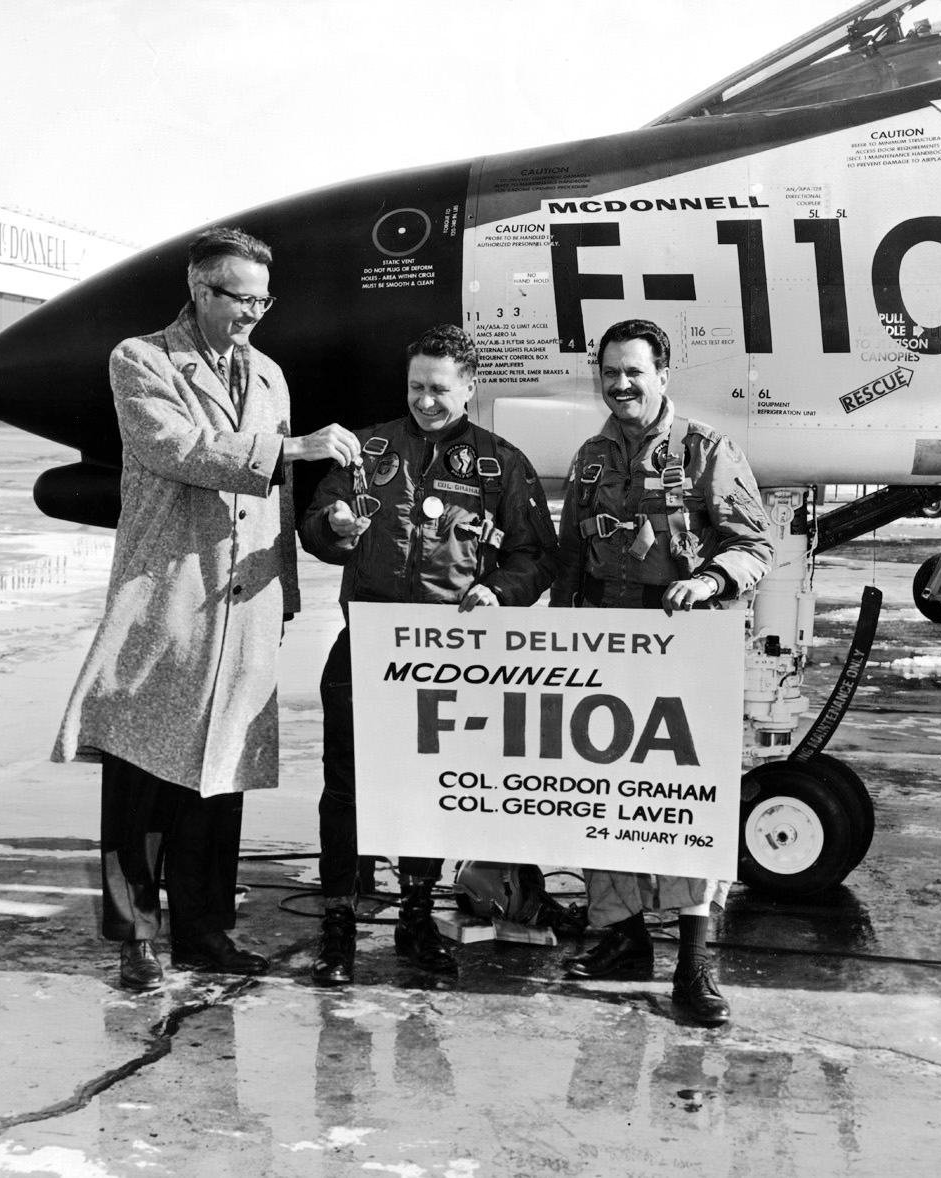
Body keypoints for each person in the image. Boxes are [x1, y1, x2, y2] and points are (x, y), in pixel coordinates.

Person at [53, 227, 361, 992]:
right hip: (171, 597)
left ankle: (204, 932)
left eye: (263, 301)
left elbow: (280, 503)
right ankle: (138, 940)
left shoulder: (269, 374)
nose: (252, 314)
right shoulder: (142, 360)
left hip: (246, 606)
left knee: (219, 777)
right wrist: (292, 450)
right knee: (142, 775)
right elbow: (178, 448)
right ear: (198, 289)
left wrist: (284, 584)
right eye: (238, 298)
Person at [299, 324, 558, 985]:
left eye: (440, 389)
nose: (426, 401)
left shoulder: (503, 463)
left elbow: (536, 556)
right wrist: (332, 527)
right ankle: (338, 924)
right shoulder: (371, 450)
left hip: (449, 656)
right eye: (416, 387)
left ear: (469, 389)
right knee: (345, 791)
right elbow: (319, 523)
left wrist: (499, 592)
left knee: (430, 792)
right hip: (368, 647)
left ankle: (416, 916)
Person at [550, 318, 772, 1026]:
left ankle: (694, 963)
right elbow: (568, 561)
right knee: (607, 796)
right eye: (610, 373)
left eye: (633, 372)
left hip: (683, 650)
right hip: (606, 649)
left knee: (685, 804)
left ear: (663, 374)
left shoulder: (707, 451)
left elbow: (753, 545)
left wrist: (709, 581)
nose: (620, 385)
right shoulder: (589, 459)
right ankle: (621, 938)